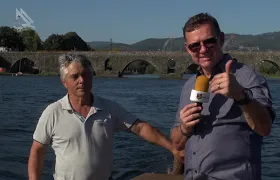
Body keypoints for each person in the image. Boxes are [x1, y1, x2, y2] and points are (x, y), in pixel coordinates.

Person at [28, 53, 182, 180]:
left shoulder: (109, 108)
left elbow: (140, 128)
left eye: (85, 74)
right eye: (75, 77)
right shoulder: (53, 112)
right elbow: (37, 151)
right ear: (64, 82)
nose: (81, 80)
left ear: (92, 77)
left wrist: (173, 148)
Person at [170, 13, 276, 180]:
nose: (203, 50)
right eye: (195, 46)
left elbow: (265, 128)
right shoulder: (188, 86)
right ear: (187, 48)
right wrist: (184, 128)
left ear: (221, 39)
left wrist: (241, 96)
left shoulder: (248, 78)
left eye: (209, 42)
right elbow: (176, 143)